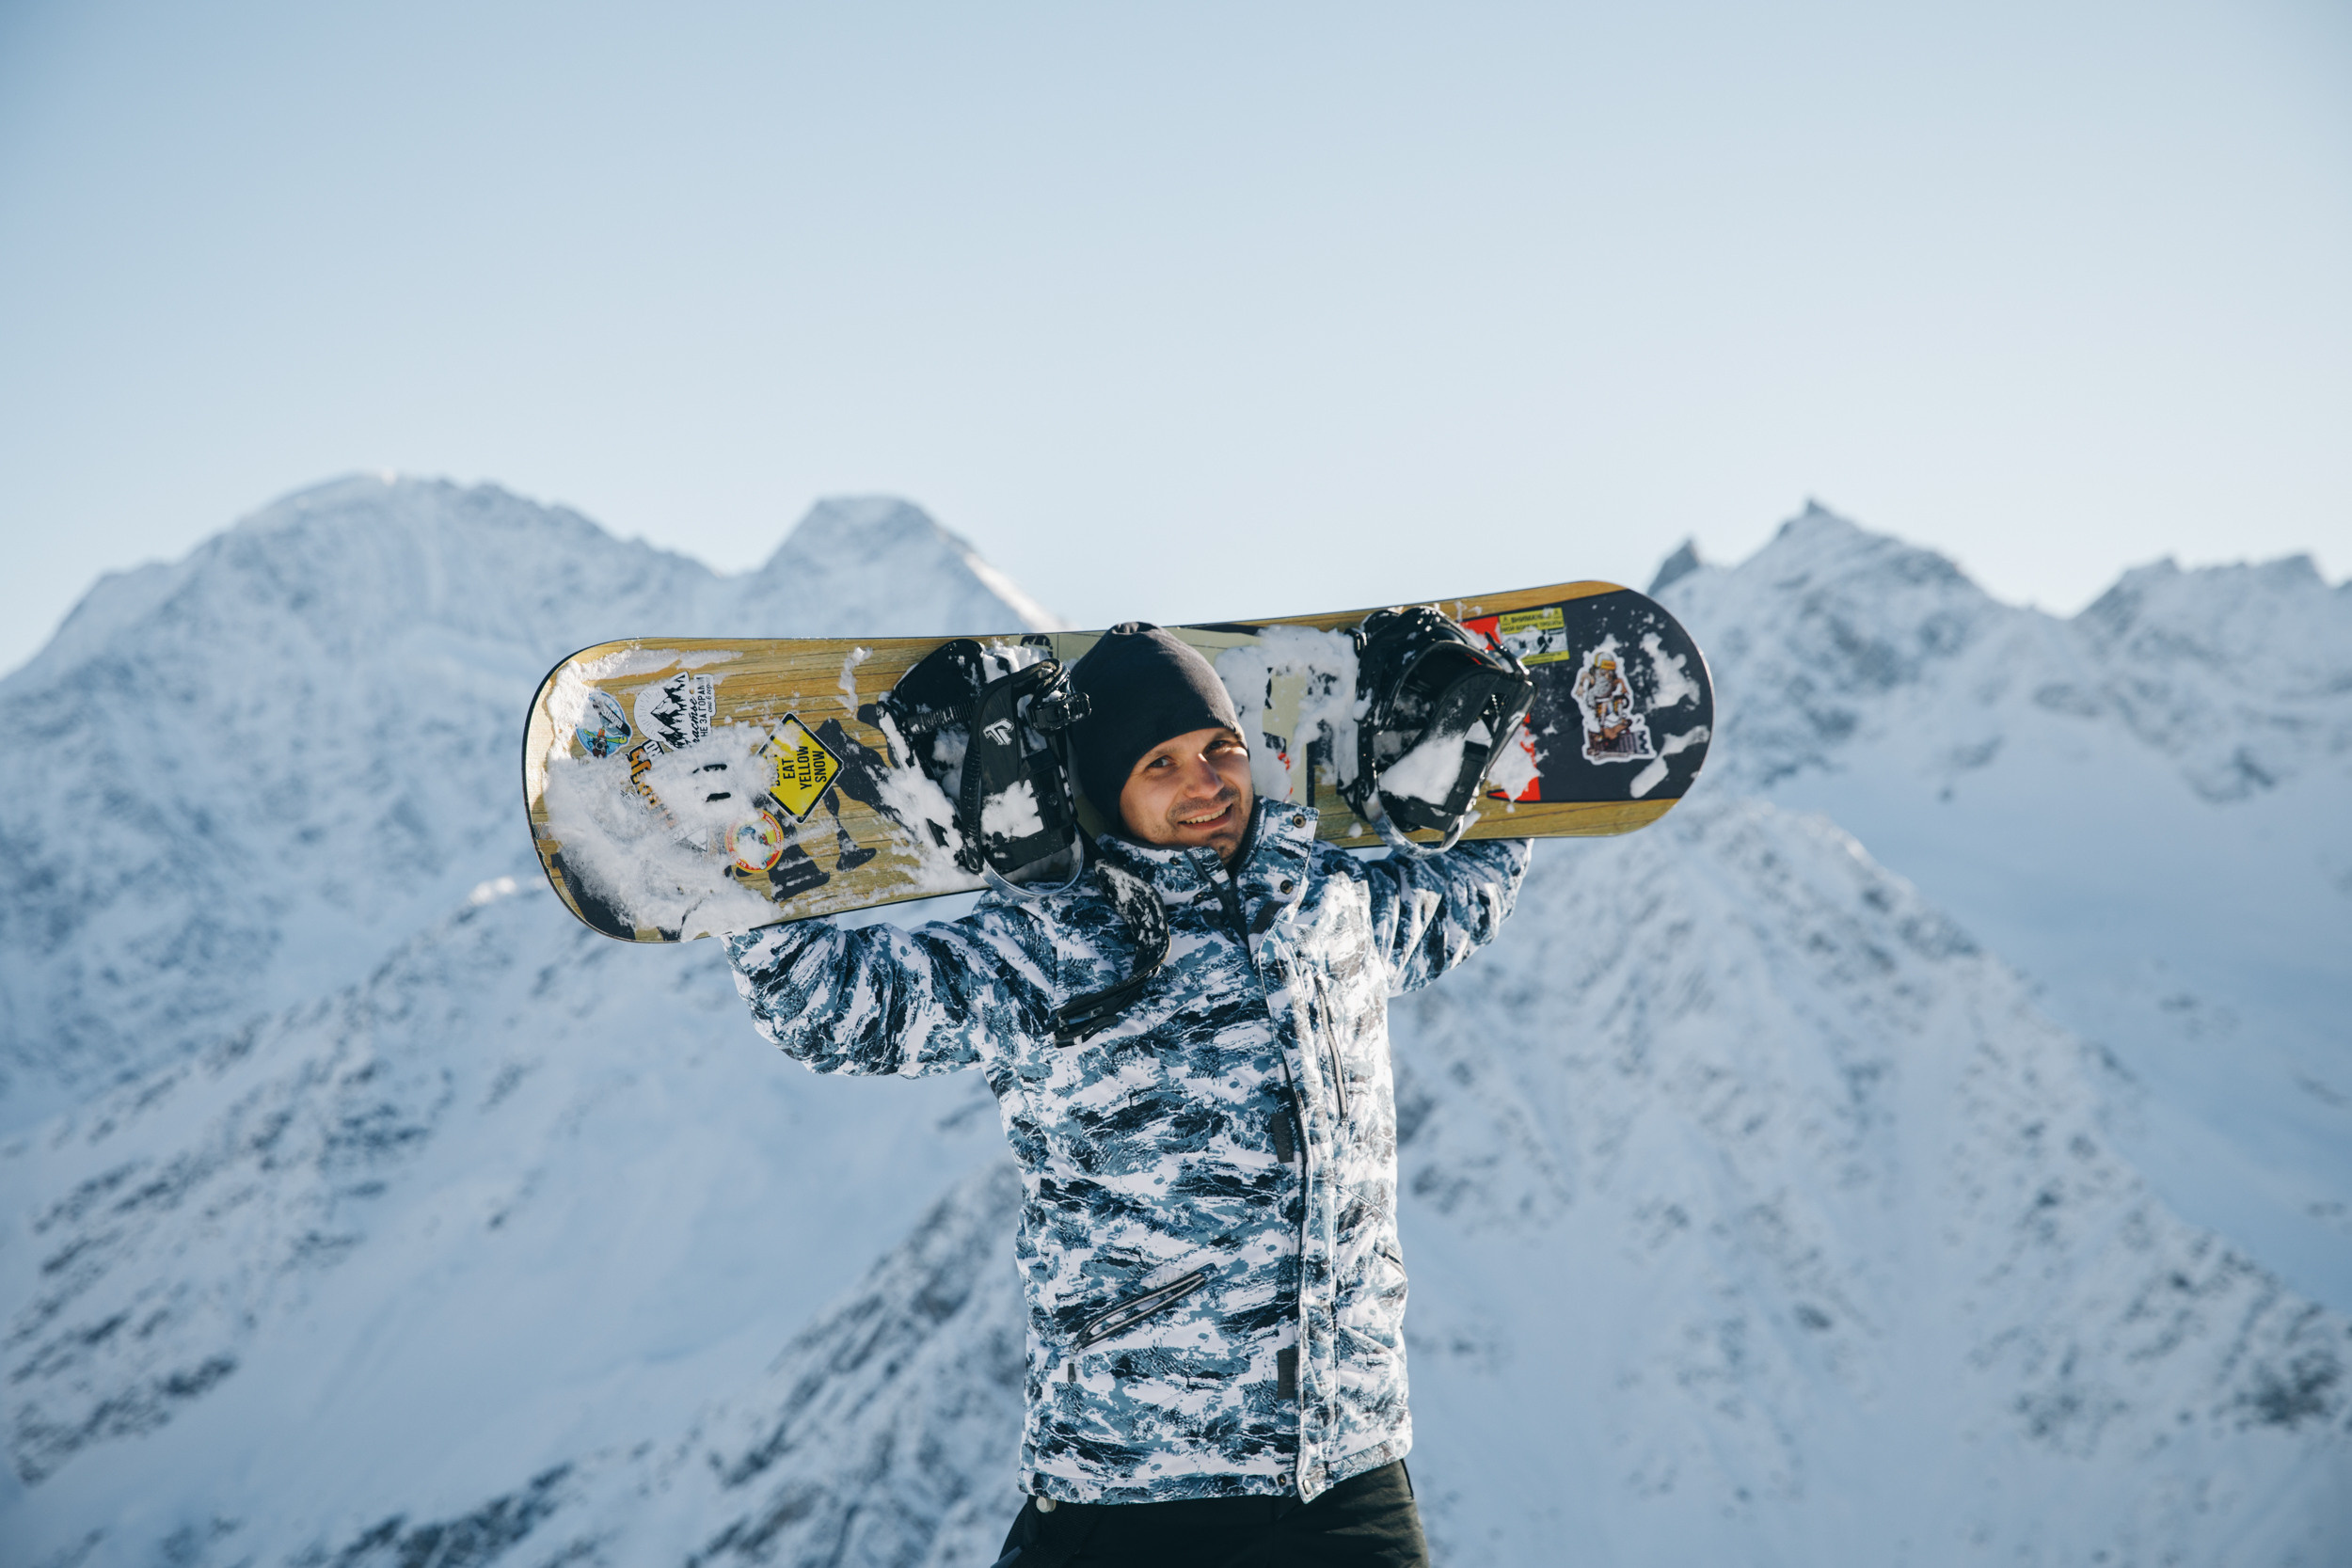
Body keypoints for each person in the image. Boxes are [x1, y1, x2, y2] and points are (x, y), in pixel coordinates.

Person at [724, 624, 1533, 1567]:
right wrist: (755, 851)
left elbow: (1462, 894)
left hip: (1345, 1472)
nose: (1205, 781)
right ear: (1106, 786)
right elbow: (832, 1005)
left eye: (1220, 749)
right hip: (1136, 1475)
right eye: (1161, 761)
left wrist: (1473, 756)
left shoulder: (1330, 910)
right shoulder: (1055, 945)